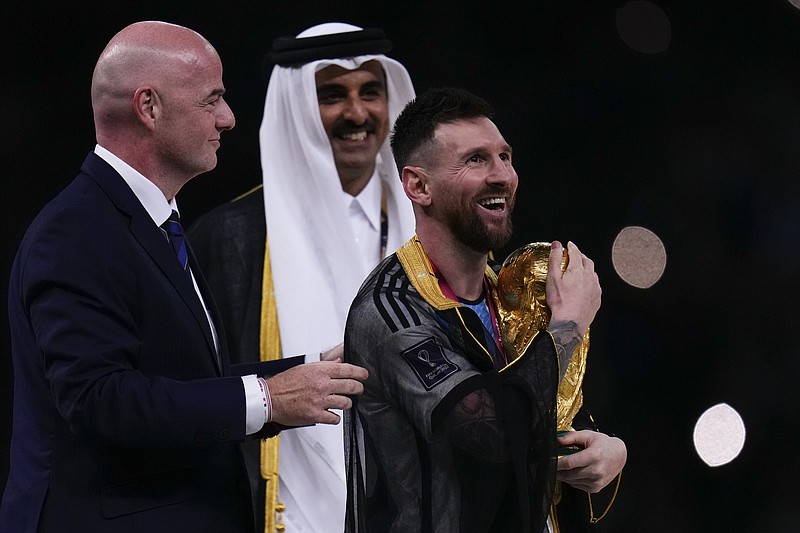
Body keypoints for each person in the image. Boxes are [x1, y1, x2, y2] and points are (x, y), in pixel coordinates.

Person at [0, 21, 368, 533]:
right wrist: (268, 398)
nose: (229, 118)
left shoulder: (147, 220)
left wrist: (309, 371)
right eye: (211, 99)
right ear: (148, 107)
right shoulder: (76, 232)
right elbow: (99, 400)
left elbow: (181, 380)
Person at [343, 87, 627, 533]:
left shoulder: (513, 294)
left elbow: (548, 410)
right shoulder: (391, 309)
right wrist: (569, 325)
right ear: (418, 185)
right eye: (476, 160)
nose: (502, 176)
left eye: (505, 157)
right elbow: (492, 432)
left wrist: (609, 451)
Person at [188, 22, 416, 533]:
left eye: (371, 93)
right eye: (333, 95)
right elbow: (193, 392)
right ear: (296, 106)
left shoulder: (430, 230)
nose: (357, 114)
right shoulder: (229, 238)